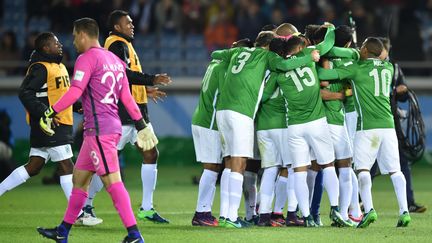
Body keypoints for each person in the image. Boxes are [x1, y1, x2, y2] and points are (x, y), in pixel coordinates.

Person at [36, 17, 157, 243]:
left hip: (100, 132)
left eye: (74, 36)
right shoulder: (115, 61)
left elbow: (74, 92)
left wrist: (50, 111)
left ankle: (135, 236)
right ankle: (62, 232)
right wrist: (141, 125)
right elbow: (127, 98)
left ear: (83, 34)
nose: (73, 42)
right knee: (79, 180)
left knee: (113, 182)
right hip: (101, 131)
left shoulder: (86, 58)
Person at [211, 30, 320, 228]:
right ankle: (233, 217)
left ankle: (228, 214)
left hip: (223, 111)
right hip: (243, 112)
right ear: (270, 46)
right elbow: (286, 65)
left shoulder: (237, 52)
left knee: (229, 163)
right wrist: (308, 57)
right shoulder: (268, 56)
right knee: (240, 163)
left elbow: (216, 54)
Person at [318, 37, 411, 228]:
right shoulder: (388, 68)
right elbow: (379, 56)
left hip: (367, 127)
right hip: (388, 126)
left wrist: (325, 53)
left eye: (361, 47)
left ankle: (369, 210)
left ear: (367, 51)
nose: (358, 49)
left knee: (362, 169)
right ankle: (404, 211)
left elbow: (322, 75)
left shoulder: (356, 69)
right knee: (395, 170)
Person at [0, 32, 74, 200]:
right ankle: (78, 213)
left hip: (57, 123)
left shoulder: (59, 67)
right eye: (56, 43)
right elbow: (25, 92)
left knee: (34, 167)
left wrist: (78, 107)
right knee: (67, 166)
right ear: (46, 48)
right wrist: (45, 113)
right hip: (50, 125)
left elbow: (62, 95)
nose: (60, 45)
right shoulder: (41, 67)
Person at [191, 38, 253, 227]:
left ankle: (216, 212)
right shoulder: (226, 69)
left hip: (202, 118)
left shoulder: (215, 64)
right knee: (211, 169)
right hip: (210, 122)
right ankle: (202, 212)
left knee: (218, 167)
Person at [371, 37, 426, 214]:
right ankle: (357, 201)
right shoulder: (367, 67)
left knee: (401, 161)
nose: (386, 52)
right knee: (369, 162)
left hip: (391, 119)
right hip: (372, 119)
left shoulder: (394, 68)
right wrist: (395, 92)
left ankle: (409, 202)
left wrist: (402, 91)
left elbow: (403, 93)